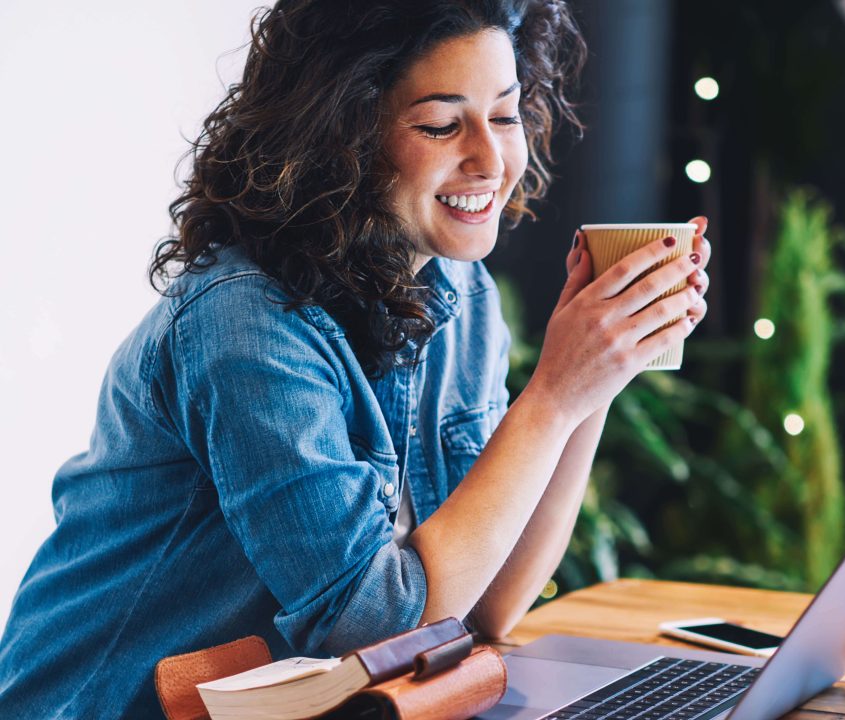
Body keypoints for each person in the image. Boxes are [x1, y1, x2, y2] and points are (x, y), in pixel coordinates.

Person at [0, 0, 710, 716]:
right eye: (441, 124)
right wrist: (554, 393)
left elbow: (487, 607)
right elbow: (371, 627)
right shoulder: (243, 322)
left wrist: (599, 374)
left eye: (504, 114)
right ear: (343, 135)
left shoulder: (459, 292)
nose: (492, 161)